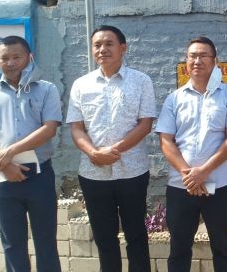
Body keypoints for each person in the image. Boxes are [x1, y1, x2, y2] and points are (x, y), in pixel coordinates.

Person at [0, 36, 62, 272]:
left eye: (16, 57)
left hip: (39, 175)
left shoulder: (47, 89)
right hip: (3, 177)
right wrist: (5, 165)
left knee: (46, 242)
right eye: (4, 58)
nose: (10, 62)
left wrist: (9, 152)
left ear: (29, 58)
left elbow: (49, 129)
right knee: (12, 243)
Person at [67, 25, 156, 272]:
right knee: (105, 238)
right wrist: (94, 153)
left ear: (122, 48)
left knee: (136, 235)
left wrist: (113, 151)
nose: (102, 49)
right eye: (97, 45)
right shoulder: (81, 85)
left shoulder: (141, 81)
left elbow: (145, 123)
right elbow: (76, 128)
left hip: (132, 173)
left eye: (109, 44)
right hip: (93, 173)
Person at [155, 36, 227, 272]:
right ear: (186, 62)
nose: (197, 60)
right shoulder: (174, 99)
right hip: (181, 186)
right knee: (179, 248)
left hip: (219, 186)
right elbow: (166, 140)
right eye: (192, 56)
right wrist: (190, 175)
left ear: (215, 61)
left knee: (223, 247)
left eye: (203, 55)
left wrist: (203, 172)